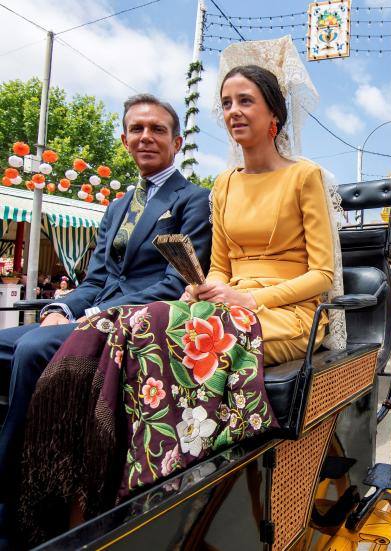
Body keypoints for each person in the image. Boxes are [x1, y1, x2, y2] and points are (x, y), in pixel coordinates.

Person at [18, 57, 342, 542]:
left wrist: (250, 300)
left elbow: (323, 274)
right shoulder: (225, 184)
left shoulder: (305, 177)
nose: (233, 111)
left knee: (171, 338)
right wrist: (199, 286)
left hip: (285, 315)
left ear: (274, 113)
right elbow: (221, 269)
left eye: (245, 101)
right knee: (117, 328)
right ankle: (80, 489)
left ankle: (149, 483)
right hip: (226, 306)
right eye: (227, 103)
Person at [0, 93, 212, 540]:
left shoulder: (195, 201)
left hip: (138, 321)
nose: (146, 137)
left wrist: (95, 315)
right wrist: (61, 307)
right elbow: (96, 278)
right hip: (95, 312)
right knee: (10, 340)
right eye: (137, 129)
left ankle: (13, 487)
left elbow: (176, 284)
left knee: (33, 348)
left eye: (157, 130)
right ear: (124, 139)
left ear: (176, 142)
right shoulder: (117, 207)